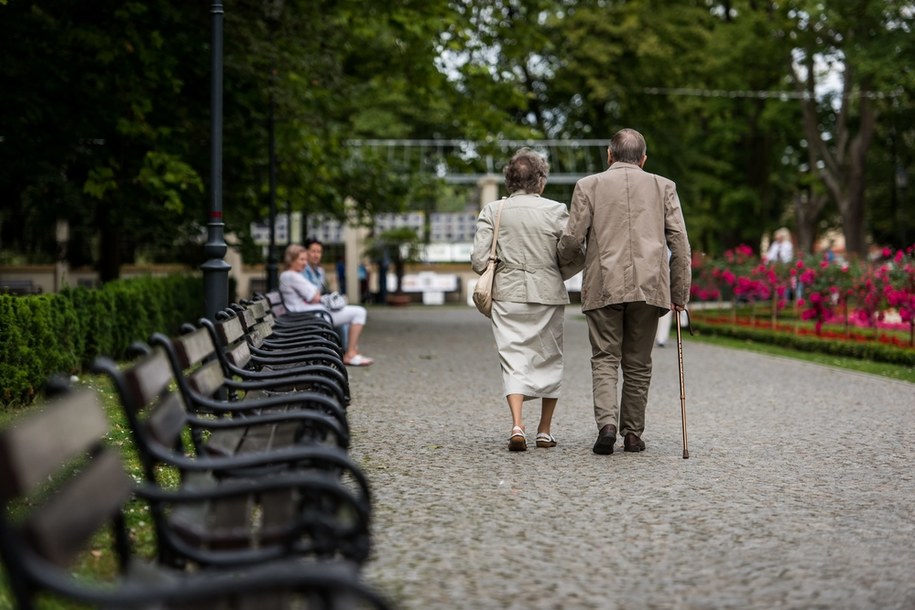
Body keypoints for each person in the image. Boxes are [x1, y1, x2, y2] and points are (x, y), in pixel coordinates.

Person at [557, 128, 691, 455]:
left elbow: (573, 239)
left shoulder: (588, 186)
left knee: (604, 357)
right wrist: (679, 294)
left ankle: (607, 425)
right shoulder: (664, 187)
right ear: (643, 158)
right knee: (638, 362)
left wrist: (560, 263)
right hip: (650, 287)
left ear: (609, 155)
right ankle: (632, 434)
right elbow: (680, 245)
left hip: (603, 282)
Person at [471, 148, 582, 452]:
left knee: (513, 358)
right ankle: (544, 431)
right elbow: (577, 252)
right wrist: (557, 272)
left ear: (509, 179)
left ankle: (517, 424)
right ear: (541, 180)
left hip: (507, 294)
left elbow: (479, 260)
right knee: (550, 357)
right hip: (547, 293)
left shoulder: (493, 211)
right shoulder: (556, 210)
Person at [279, 243, 374, 367]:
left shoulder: (290, 275)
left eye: (305, 260)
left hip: (311, 313)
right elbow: (314, 297)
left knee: (352, 312)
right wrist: (317, 295)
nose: (304, 263)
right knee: (359, 312)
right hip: (310, 316)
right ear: (291, 260)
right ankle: (350, 354)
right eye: (301, 259)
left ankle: (351, 351)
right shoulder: (291, 276)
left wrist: (317, 295)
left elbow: (315, 294)